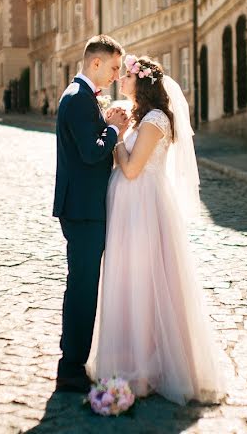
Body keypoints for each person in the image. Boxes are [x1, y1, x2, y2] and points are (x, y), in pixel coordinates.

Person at [87, 55, 226, 405]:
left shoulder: (155, 119)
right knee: (128, 282)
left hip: (143, 209)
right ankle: (131, 359)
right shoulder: (137, 115)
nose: (121, 79)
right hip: (127, 209)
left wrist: (116, 137)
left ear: (142, 81)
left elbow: (133, 169)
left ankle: (151, 367)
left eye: (127, 75)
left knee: (147, 283)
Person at [52, 35, 129, 393]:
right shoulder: (78, 99)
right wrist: (113, 129)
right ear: (95, 63)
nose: (117, 74)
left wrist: (106, 124)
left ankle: (72, 361)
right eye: (114, 67)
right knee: (83, 288)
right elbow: (92, 152)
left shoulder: (81, 97)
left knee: (81, 285)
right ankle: (70, 368)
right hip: (83, 210)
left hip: (82, 207)